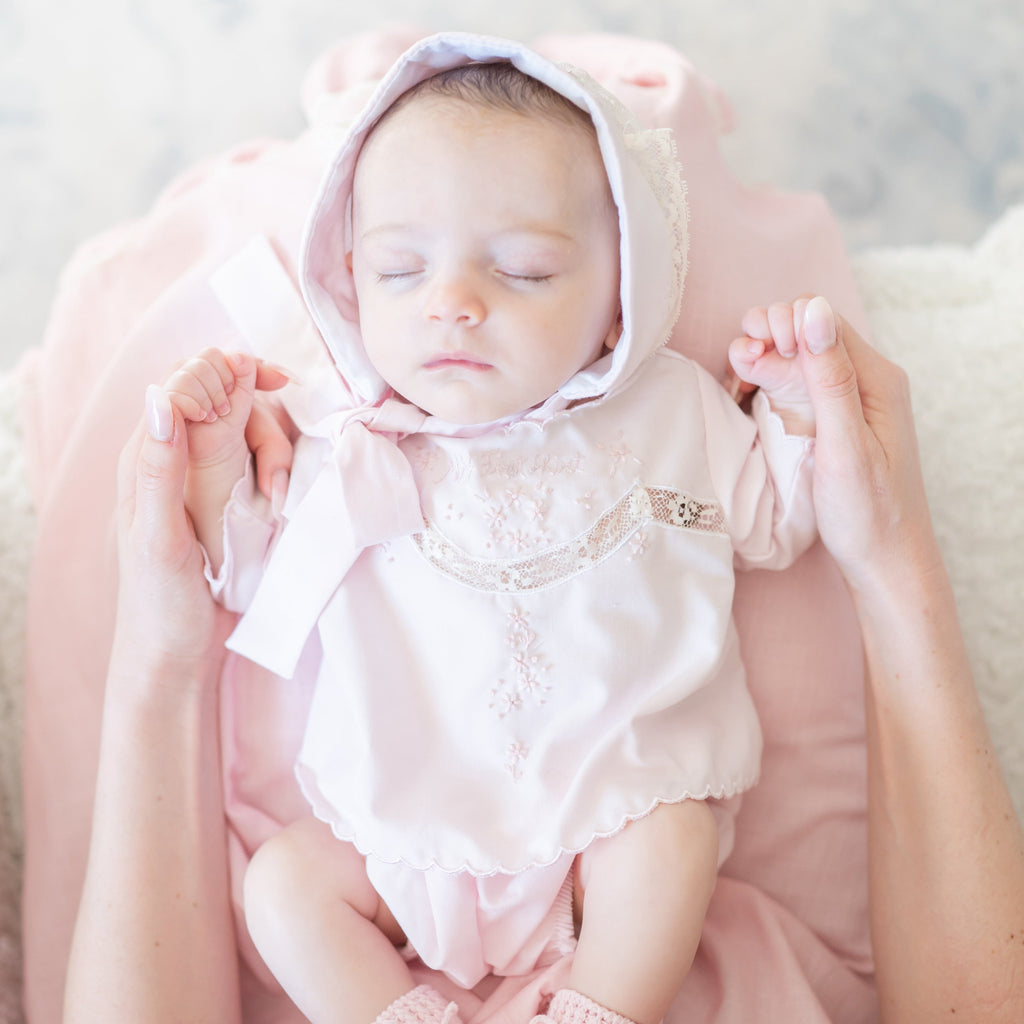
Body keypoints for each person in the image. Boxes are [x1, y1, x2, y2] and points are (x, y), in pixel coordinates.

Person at [147, 41, 824, 1024]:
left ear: (617, 299)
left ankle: (597, 1008)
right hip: (400, 836)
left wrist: (796, 410)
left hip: (611, 816)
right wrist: (217, 471)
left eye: (523, 268)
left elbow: (775, 525)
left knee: (671, 846)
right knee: (284, 887)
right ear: (351, 280)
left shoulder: (670, 409)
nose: (452, 302)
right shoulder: (350, 442)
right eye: (400, 266)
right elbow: (250, 581)